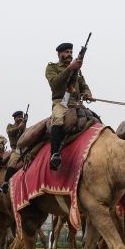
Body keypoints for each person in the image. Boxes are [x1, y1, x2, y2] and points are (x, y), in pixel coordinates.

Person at [45, 42, 93, 170]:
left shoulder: (78, 69)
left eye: (71, 52)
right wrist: (70, 68)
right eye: (66, 52)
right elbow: (56, 83)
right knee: (58, 118)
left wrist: (87, 93)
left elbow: (83, 85)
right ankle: (54, 154)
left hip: (77, 103)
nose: (69, 54)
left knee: (94, 119)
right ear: (59, 54)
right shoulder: (52, 68)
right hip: (61, 103)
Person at [1, 110, 27, 193]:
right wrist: (19, 127)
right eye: (18, 117)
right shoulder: (10, 126)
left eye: (21, 116)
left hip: (26, 147)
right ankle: (5, 182)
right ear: (14, 118)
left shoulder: (24, 127)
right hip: (16, 149)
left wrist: (24, 126)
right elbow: (10, 133)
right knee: (13, 161)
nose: (20, 118)